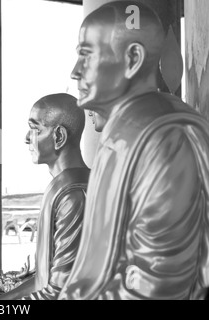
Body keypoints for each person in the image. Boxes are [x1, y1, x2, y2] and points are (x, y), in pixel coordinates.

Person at [60, 1, 209, 300]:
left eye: (86, 55)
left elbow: (157, 284)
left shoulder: (161, 136)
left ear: (132, 58)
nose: (75, 72)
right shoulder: (130, 128)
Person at [0, 93, 90, 300]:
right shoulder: (67, 184)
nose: (27, 137)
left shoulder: (74, 195)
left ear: (59, 136)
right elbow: (43, 280)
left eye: (35, 129)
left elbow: (62, 291)